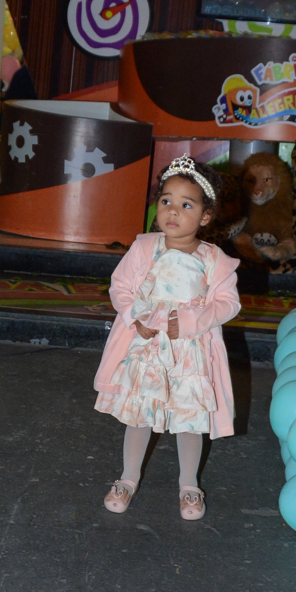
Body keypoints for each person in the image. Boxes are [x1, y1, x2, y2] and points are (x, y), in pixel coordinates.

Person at [94, 155, 241, 520]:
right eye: (166, 201)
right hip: (148, 350)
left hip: (190, 355)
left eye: (186, 205)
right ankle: (128, 477)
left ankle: (189, 484)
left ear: (205, 217)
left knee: (189, 418)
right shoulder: (145, 248)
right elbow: (120, 287)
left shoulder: (214, 259)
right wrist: (135, 316)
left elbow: (228, 304)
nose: (173, 211)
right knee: (140, 415)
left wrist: (191, 321)